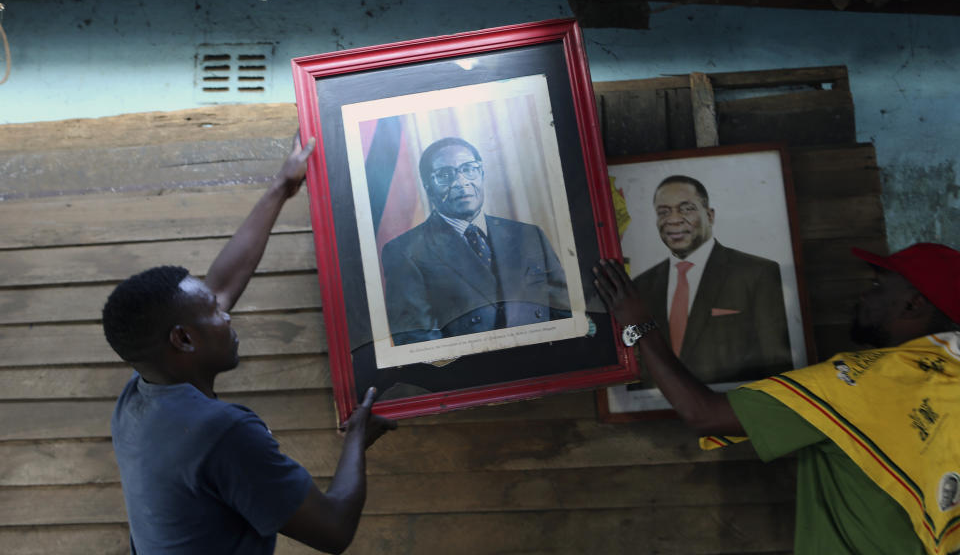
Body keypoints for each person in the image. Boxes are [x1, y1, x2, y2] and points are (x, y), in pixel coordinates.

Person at [102, 134, 397, 555]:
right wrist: (356, 438)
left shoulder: (139, 395)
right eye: (215, 313)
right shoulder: (221, 432)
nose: (227, 313)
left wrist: (282, 186)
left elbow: (219, 286)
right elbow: (333, 530)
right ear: (183, 339)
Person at [594, 243, 960, 555]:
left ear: (913, 305)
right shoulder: (949, 379)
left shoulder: (868, 378)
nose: (864, 295)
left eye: (879, 286)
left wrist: (638, 323)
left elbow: (703, 413)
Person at [380, 136, 570, 345]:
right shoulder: (404, 252)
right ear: (428, 186)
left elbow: (565, 314)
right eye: (445, 175)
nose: (461, 183)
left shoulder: (529, 235)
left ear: (481, 174)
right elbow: (419, 344)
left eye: (469, 169)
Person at [631, 174, 792, 383]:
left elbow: (776, 361)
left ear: (710, 215)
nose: (673, 219)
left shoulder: (757, 273)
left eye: (686, 208)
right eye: (663, 212)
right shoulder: (641, 286)